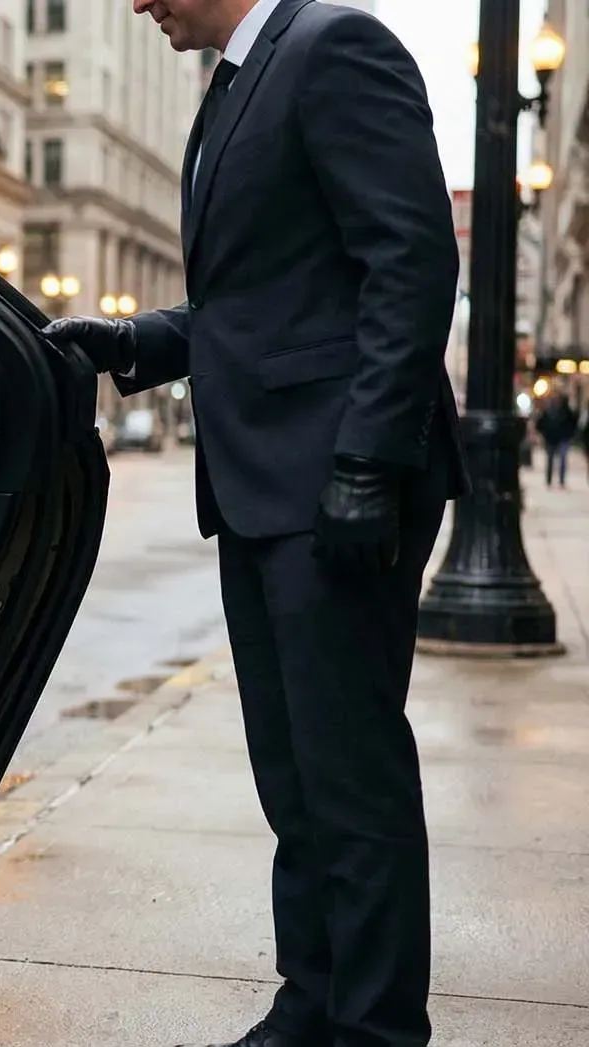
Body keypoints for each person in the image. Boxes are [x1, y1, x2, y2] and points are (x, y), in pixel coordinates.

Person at [43, 2, 467, 1047]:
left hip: (335, 489)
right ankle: (311, 1003)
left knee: (350, 780)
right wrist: (133, 342)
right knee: (294, 777)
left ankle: (376, 1030)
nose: (137, 4)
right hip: (263, 488)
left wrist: (368, 463)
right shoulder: (235, 82)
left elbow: (412, 262)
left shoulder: (333, 48)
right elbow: (261, 303)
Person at [534, 393, 578, 488]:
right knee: (551, 459)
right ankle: (549, 480)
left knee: (562, 459)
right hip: (551, 439)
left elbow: (573, 423)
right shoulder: (549, 411)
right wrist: (543, 434)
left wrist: (570, 435)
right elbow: (540, 423)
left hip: (563, 438)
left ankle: (561, 480)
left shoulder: (566, 411)